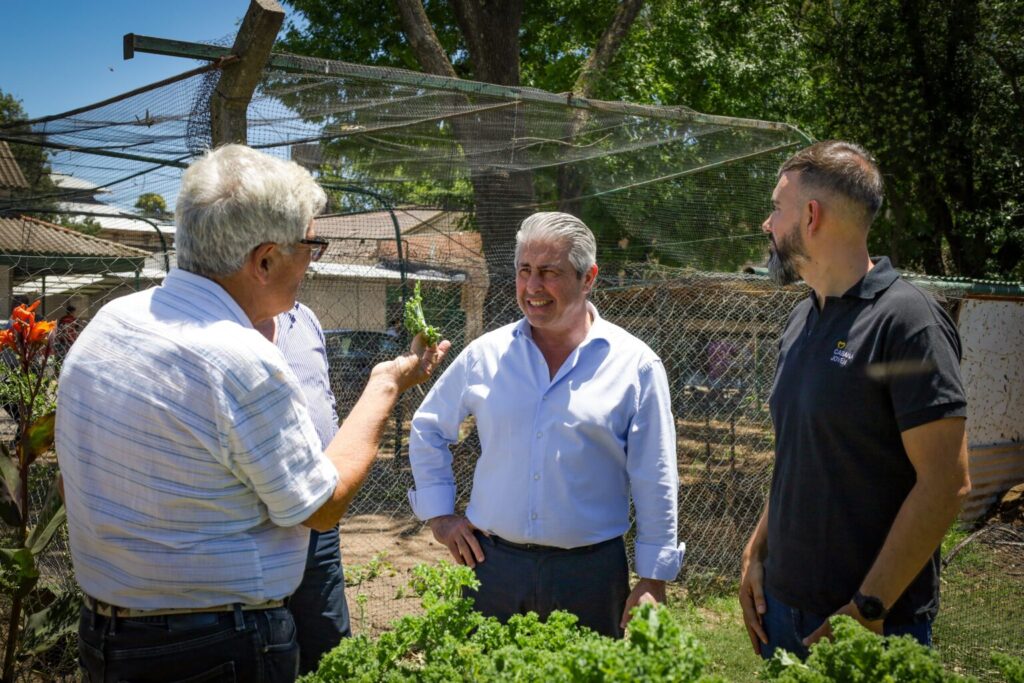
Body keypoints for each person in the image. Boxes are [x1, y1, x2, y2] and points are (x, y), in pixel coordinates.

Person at [55, 144, 449, 683]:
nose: (312, 261)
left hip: (108, 636)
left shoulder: (111, 322)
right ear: (264, 260)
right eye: (311, 244)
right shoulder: (237, 358)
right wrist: (386, 384)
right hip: (213, 646)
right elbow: (321, 507)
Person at [739, 140, 971, 660]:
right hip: (782, 608)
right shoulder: (803, 317)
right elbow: (798, 453)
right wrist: (758, 552)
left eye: (777, 209)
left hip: (872, 628)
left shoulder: (907, 322)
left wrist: (867, 609)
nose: (767, 225)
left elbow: (947, 483)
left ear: (812, 216)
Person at [408, 211, 684, 638]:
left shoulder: (635, 365)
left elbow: (655, 475)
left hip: (590, 575)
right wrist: (440, 515)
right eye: (524, 271)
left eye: (549, 273)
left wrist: (653, 577)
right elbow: (428, 428)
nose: (533, 287)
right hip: (491, 567)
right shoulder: (485, 355)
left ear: (588, 277)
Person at [256, 303, 350, 675]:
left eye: (316, 247)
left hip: (320, 520)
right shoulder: (225, 318)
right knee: (268, 650)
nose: (309, 257)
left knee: (328, 644)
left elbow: (322, 394)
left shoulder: (306, 317)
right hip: (259, 523)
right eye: (304, 245)